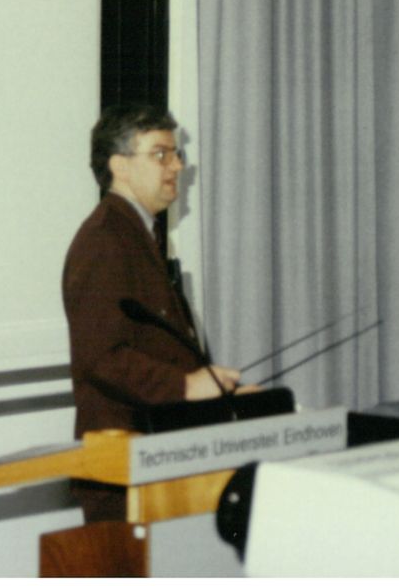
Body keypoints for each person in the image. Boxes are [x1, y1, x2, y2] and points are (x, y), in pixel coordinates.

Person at [61, 103, 251, 523]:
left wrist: (217, 392)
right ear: (120, 166)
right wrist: (186, 385)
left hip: (161, 460)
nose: (177, 166)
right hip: (127, 469)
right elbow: (102, 359)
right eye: (161, 154)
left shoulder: (135, 234)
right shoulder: (104, 240)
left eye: (176, 154)